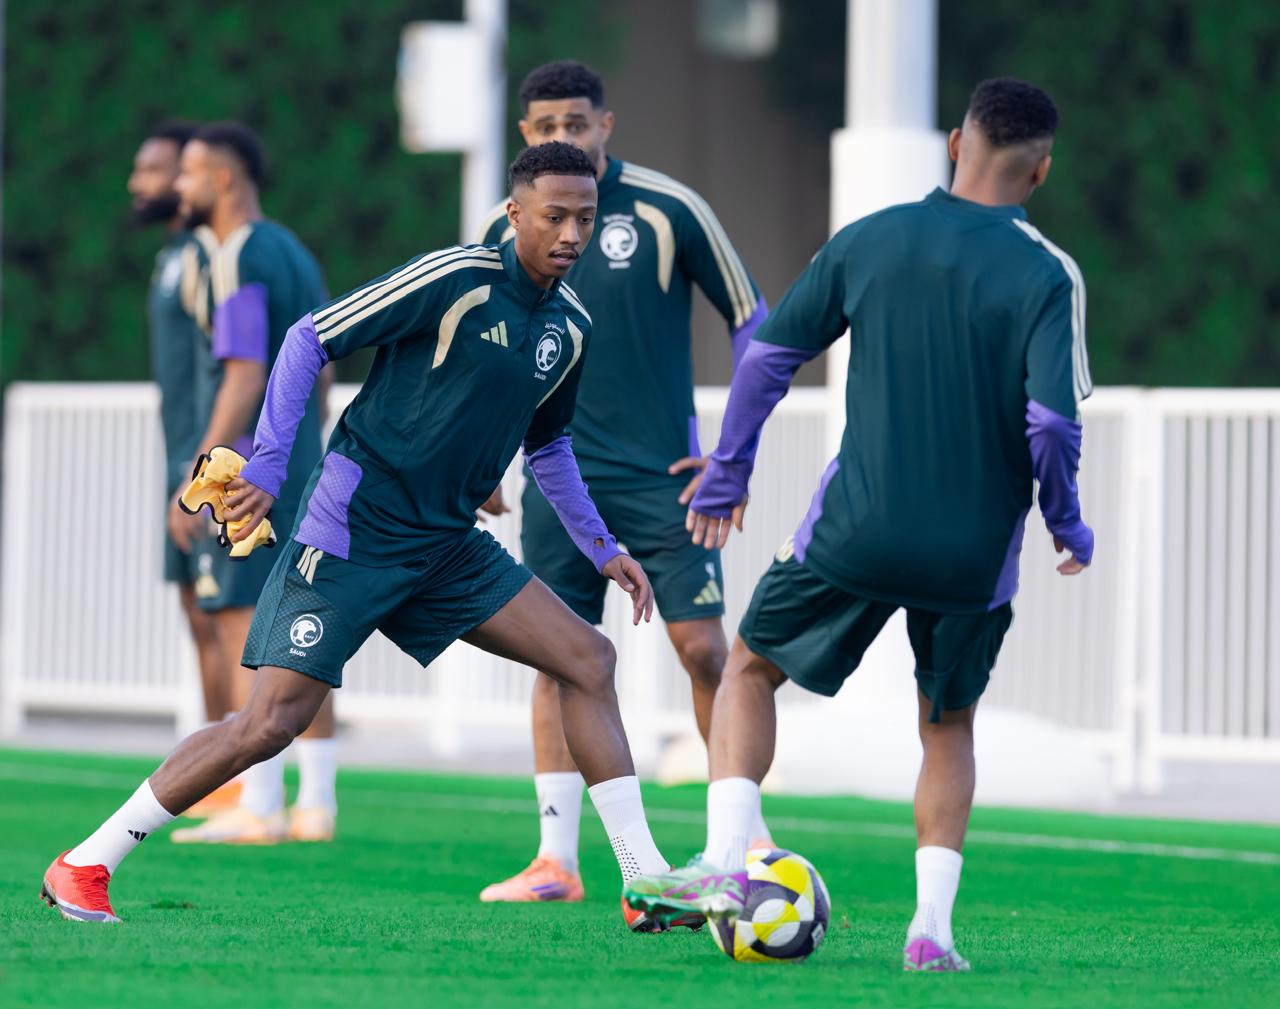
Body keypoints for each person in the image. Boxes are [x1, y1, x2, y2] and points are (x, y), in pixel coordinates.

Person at [40, 141, 678, 931]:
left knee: (588, 658)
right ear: (515, 214)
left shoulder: (571, 326)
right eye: (555, 216)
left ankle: (647, 882)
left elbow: (547, 446)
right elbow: (307, 337)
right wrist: (268, 463)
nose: (572, 233)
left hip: (447, 545)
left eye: (585, 217)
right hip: (354, 529)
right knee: (268, 725)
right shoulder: (454, 277)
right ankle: (86, 861)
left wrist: (603, 546)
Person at [623, 77, 1095, 973]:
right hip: (971, 556)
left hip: (857, 529)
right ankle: (930, 932)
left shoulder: (872, 237)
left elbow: (770, 354)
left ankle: (721, 860)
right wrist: (1068, 523)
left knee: (750, 669)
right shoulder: (1047, 273)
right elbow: (1050, 424)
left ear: (955, 143)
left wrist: (728, 471)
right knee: (946, 725)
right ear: (1041, 171)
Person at [475, 60, 770, 913]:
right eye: (544, 126)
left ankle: (742, 840)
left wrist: (732, 454)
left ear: (606, 124)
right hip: (557, 476)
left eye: (576, 122)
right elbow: (482, 348)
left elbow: (754, 321)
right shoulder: (505, 228)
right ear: (525, 135)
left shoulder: (671, 210)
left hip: (664, 478)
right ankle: (555, 859)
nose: (561, 136)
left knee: (706, 650)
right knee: (558, 655)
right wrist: (482, 458)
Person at [163, 123, 339, 843]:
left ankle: (258, 801)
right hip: (301, 466)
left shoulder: (234, 253)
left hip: (247, 473)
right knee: (305, 627)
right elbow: (321, 369)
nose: (180, 186)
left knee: (243, 623)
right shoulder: (292, 250)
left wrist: (201, 471)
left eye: (189, 173)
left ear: (223, 179)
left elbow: (243, 372)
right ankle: (316, 803)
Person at [127, 120, 228, 745]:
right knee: (198, 611)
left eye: (155, 170)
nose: (137, 183)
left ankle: (244, 774)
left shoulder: (211, 256)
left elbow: (239, 365)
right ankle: (221, 772)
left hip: (208, 458)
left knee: (225, 615)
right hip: (180, 458)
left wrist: (207, 460)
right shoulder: (172, 257)